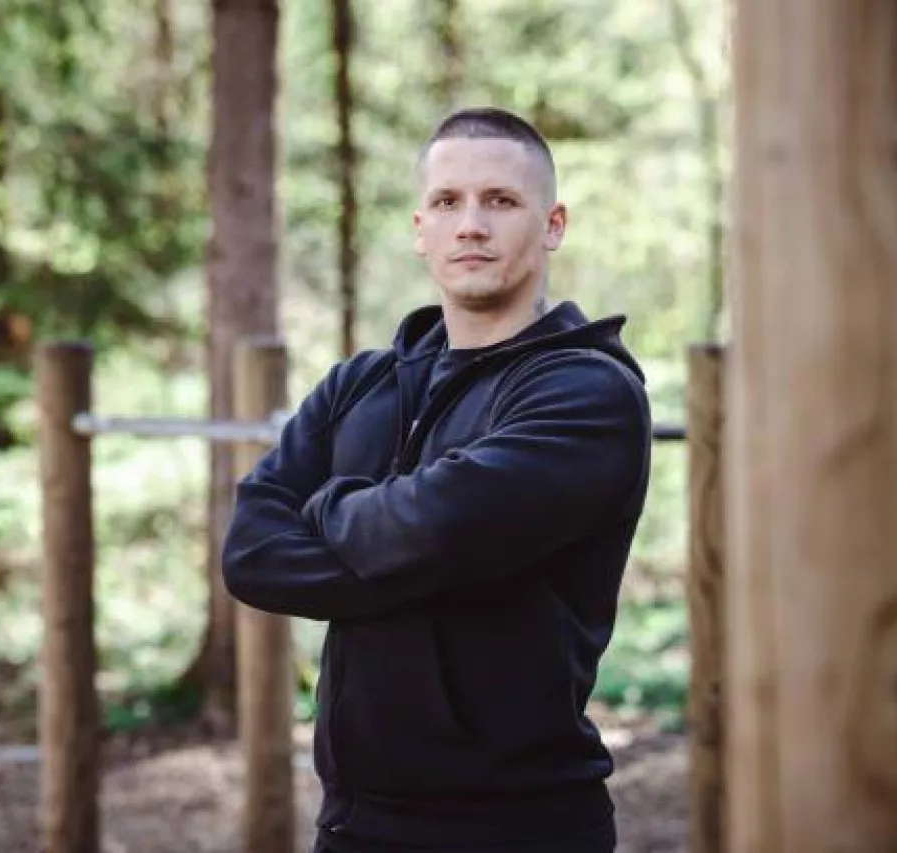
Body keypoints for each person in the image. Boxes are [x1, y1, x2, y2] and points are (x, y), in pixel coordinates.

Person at [222, 106, 652, 853]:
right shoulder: (358, 384)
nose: (471, 225)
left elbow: (439, 527)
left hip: (521, 828)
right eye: (448, 202)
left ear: (552, 225)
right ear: (420, 228)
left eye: (501, 201)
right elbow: (252, 551)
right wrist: (415, 549)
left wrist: (327, 506)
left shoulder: (588, 392)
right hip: (353, 823)